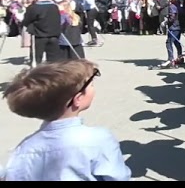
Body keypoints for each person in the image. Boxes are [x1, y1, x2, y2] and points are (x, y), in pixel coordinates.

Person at [2, 59, 131, 181]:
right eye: (90, 84)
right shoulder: (99, 139)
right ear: (78, 98)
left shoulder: (25, 148)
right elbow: (117, 177)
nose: (93, 87)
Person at [22, 0, 62, 65]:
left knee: (37, 59)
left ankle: (37, 73)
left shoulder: (33, 8)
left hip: (39, 35)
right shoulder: (54, 6)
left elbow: (26, 21)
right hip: (54, 34)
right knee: (53, 60)